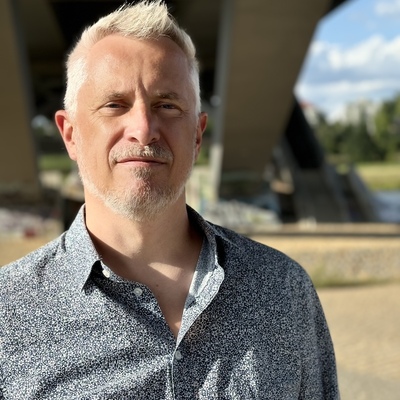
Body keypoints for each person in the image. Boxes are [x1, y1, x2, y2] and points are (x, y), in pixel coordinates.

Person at [0, 1, 339, 398]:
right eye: (115, 105)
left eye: (167, 105)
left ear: (197, 135)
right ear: (70, 134)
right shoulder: (9, 314)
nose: (143, 129)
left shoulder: (283, 291)